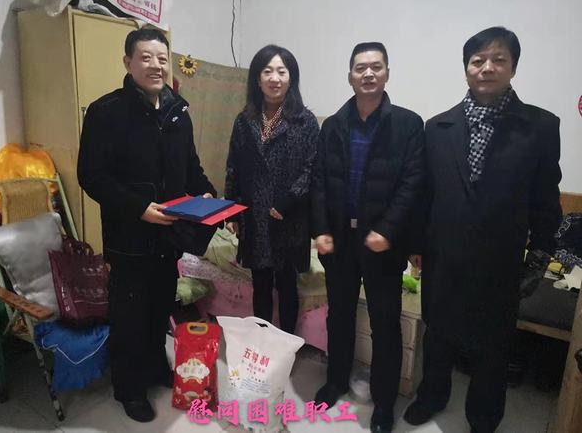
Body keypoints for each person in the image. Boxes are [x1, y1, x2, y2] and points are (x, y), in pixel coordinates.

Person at [403, 26, 562, 433]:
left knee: (493, 345)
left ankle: (484, 417)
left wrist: (539, 256)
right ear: (466, 68)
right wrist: (417, 244)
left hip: (500, 259)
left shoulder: (540, 127)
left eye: (498, 59)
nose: (487, 67)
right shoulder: (438, 127)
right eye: (478, 60)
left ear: (513, 68)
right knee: (437, 334)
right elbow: (424, 194)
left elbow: (546, 199)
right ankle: (431, 397)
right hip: (443, 255)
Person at [77, 28, 215, 422]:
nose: (156, 65)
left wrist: (206, 192)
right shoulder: (106, 112)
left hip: (168, 235)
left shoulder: (178, 112)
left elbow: (190, 166)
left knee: (159, 308)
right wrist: (139, 208)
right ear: (128, 63)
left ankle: (155, 368)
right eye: (146, 57)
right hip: (129, 236)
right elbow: (92, 176)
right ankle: (129, 388)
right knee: (130, 315)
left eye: (162, 58)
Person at [311, 42, 424, 433]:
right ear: (350, 76)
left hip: (383, 243)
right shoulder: (333, 125)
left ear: (387, 73)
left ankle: (383, 403)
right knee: (339, 316)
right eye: (361, 67)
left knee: (385, 324)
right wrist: (321, 229)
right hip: (340, 240)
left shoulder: (408, 124)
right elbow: (319, 182)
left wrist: (388, 230)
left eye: (376, 66)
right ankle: (335, 381)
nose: (369, 73)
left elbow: (412, 184)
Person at [225, 44, 319, 334]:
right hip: (254, 216)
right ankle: (261, 339)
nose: (274, 78)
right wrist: (232, 211)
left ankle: (286, 342)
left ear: (291, 78)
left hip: (289, 217)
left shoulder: (305, 121)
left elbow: (313, 167)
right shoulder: (245, 120)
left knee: (287, 284)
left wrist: (288, 200)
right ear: (257, 78)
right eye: (267, 71)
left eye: (281, 71)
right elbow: (233, 166)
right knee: (261, 283)